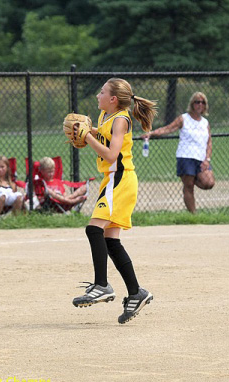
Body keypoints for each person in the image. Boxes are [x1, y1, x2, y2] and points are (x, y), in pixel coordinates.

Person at [72, 77, 157, 324]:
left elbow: (111, 155)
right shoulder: (105, 117)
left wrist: (88, 137)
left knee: (93, 229)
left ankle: (102, 285)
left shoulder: (121, 119)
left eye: (102, 92)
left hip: (120, 179)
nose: (98, 96)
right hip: (112, 180)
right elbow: (107, 138)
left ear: (113, 99)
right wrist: (92, 131)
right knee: (111, 242)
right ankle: (136, 292)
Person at [141, 92, 215, 213]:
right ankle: (193, 215)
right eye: (197, 102)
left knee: (209, 183)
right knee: (189, 186)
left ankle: (193, 176)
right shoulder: (184, 118)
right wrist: (151, 133)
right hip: (185, 156)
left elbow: (209, 142)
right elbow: (168, 128)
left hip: (201, 159)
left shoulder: (205, 123)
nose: (200, 104)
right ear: (192, 104)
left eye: (202, 102)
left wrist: (207, 159)